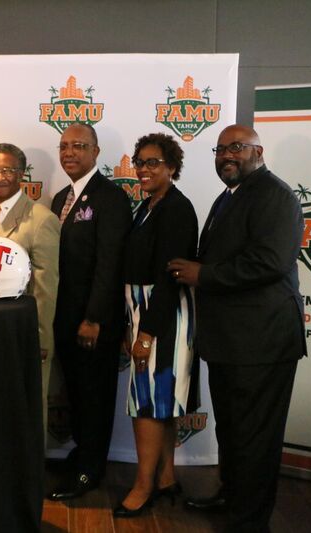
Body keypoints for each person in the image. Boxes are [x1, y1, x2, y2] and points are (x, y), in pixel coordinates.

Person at [169, 124, 306, 532]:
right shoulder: (230, 196)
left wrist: (203, 275)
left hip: (263, 342)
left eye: (237, 148)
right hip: (231, 341)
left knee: (256, 438)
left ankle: (249, 521)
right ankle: (233, 496)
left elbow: (270, 262)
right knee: (232, 430)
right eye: (220, 149)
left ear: (258, 152)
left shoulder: (276, 196)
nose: (227, 155)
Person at [113, 133, 198, 518]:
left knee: (147, 402)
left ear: (172, 167)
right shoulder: (148, 205)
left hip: (162, 315)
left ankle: (142, 486)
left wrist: (146, 333)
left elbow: (169, 277)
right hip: (144, 310)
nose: (143, 170)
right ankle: (165, 478)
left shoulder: (177, 209)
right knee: (160, 399)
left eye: (153, 163)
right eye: (139, 162)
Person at [48, 124, 132, 501]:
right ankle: (82, 454)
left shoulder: (111, 197)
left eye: (79, 146)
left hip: (92, 322)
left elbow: (109, 264)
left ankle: (89, 471)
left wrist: (94, 318)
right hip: (64, 318)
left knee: (95, 396)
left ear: (96, 152)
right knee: (78, 394)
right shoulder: (60, 198)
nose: (69, 152)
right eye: (64, 146)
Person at [0, 142, 60, 438]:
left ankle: (31, 464)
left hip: (23, 332)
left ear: (22, 174)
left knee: (26, 406)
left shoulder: (42, 219)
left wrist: (41, 339)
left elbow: (46, 287)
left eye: (7, 170)